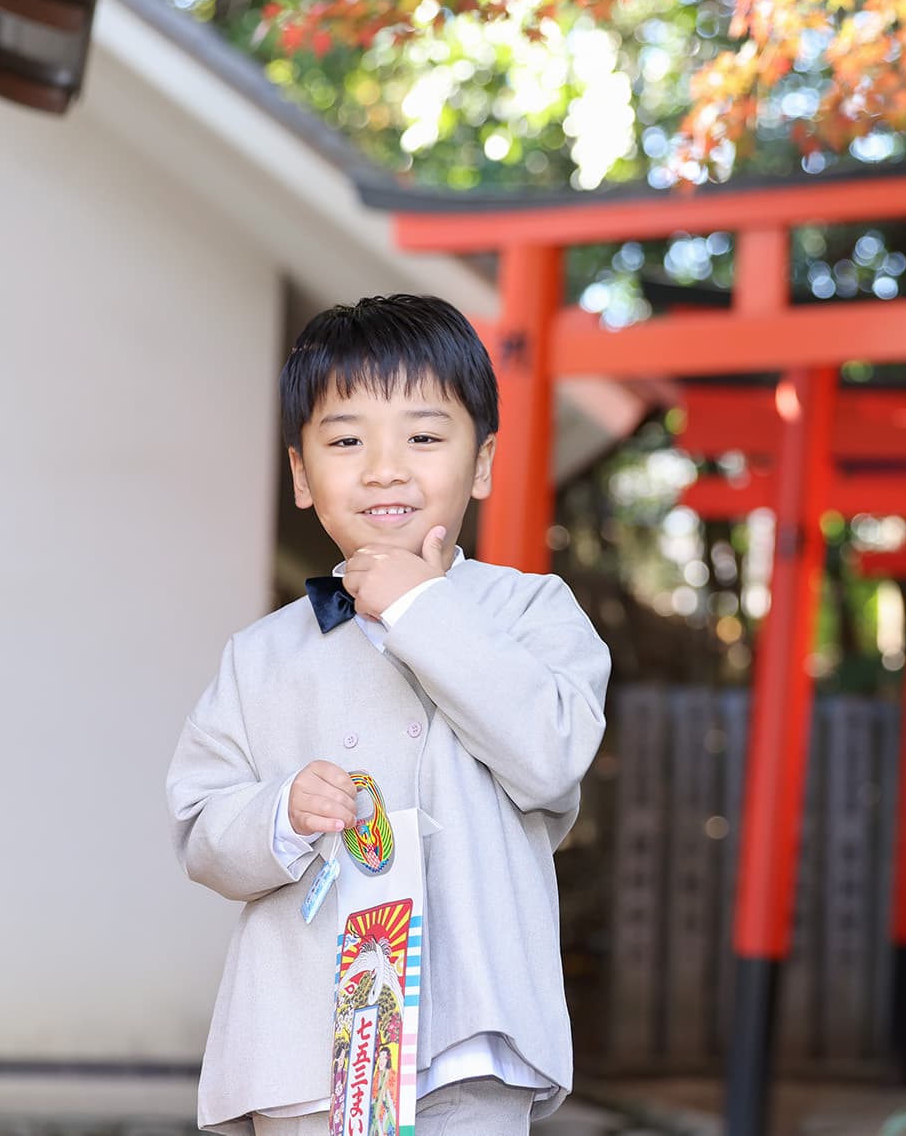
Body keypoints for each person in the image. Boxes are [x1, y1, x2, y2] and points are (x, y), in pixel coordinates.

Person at [166, 294, 610, 1135]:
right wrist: (281, 812)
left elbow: (550, 757)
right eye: (345, 440)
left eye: (424, 435)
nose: (384, 467)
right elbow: (199, 827)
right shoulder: (259, 655)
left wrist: (423, 612)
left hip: (467, 1035)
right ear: (301, 475)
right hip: (302, 1040)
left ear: (481, 464)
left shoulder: (531, 614)